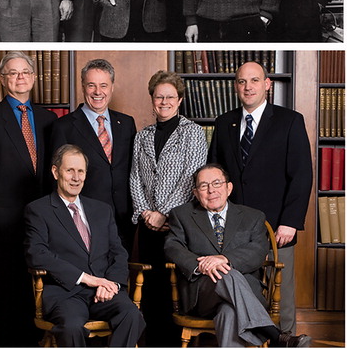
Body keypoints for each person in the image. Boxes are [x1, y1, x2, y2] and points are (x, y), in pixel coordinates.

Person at [208, 61, 312, 335]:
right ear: (235, 87)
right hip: (234, 231)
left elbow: (302, 176)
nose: (248, 87)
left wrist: (290, 221)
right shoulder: (224, 123)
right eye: (242, 81)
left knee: (282, 298)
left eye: (254, 81)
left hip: (277, 227)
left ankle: (286, 341)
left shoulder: (290, 121)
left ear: (267, 84)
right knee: (243, 293)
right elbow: (214, 176)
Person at [0, 51, 58, 347]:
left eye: (25, 72)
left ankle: (34, 341)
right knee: (8, 285)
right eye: (13, 73)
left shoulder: (47, 119)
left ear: (34, 77)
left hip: (43, 216)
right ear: (2, 79)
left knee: (38, 283)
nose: (20, 78)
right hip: (5, 217)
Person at [165, 163, 311, 347]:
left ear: (229, 187)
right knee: (228, 274)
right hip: (202, 295)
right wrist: (199, 264)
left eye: (217, 183)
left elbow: (258, 251)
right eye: (204, 186)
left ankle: (275, 337)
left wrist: (224, 259)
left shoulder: (253, 216)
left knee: (229, 312)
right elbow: (172, 247)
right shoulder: (182, 215)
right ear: (195, 193)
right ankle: (274, 335)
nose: (211, 190)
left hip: (246, 295)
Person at [24, 144, 145, 347]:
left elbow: (119, 252)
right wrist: (87, 279)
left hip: (104, 291)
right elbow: (36, 253)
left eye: (81, 171)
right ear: (55, 172)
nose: (76, 177)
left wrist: (112, 284)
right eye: (70, 170)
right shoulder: (38, 210)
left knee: (132, 315)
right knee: (71, 327)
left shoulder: (102, 210)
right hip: (66, 293)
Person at [130, 70, 208, 346]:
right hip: (148, 224)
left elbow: (192, 178)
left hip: (179, 224)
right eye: (158, 96)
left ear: (180, 100)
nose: (164, 102)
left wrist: (164, 213)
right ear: (152, 99)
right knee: (150, 286)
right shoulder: (142, 136)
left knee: (175, 287)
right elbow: (135, 178)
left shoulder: (194, 133)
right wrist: (145, 213)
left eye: (170, 97)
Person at [51, 59, 137, 254]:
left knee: (121, 274)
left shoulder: (126, 123)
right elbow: (56, 179)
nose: (98, 92)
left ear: (112, 87)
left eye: (103, 85)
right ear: (83, 86)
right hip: (84, 218)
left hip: (124, 218)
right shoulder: (63, 127)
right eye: (91, 85)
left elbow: (135, 169)